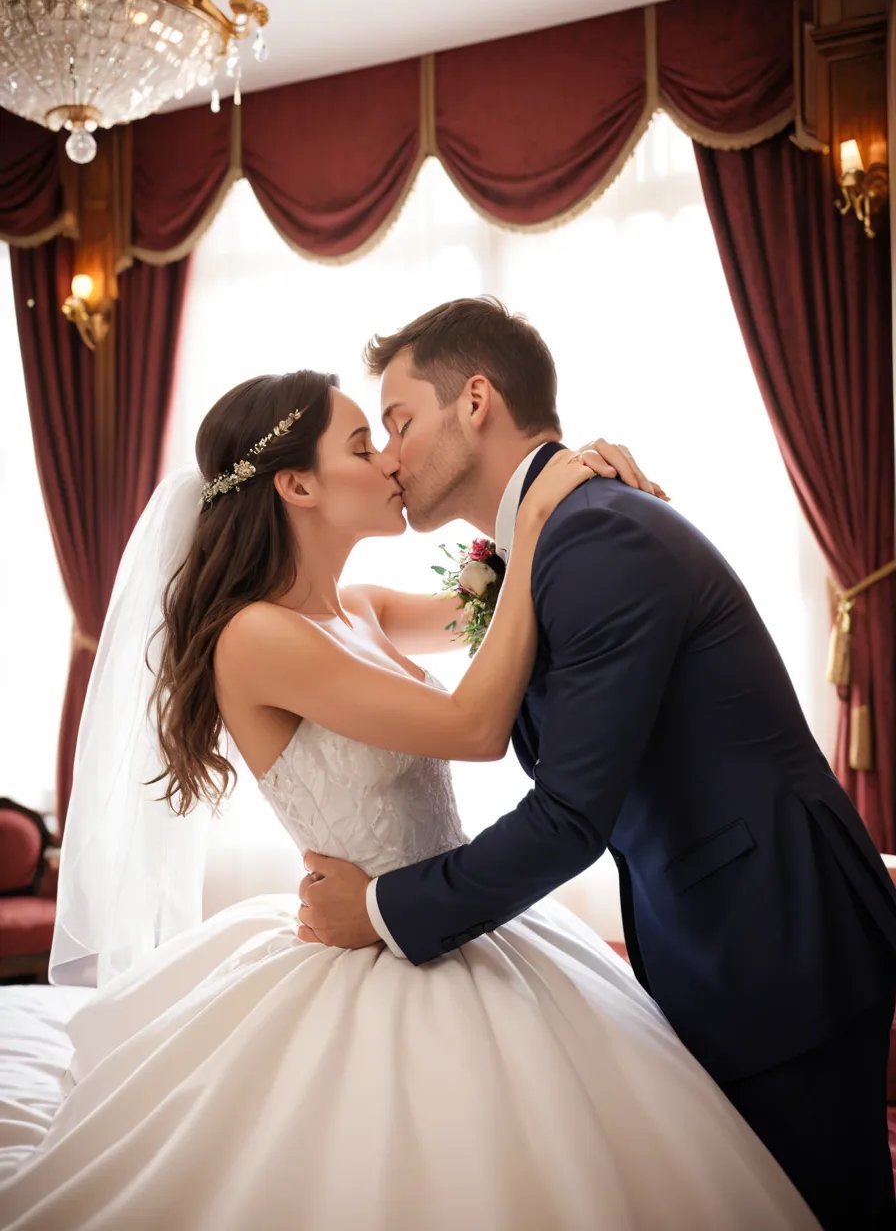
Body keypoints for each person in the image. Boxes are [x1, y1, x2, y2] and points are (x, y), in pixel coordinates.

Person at [0, 368, 816, 1230]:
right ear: (298, 485)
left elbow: (507, 604)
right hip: (373, 944)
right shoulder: (255, 638)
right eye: (362, 444)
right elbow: (473, 723)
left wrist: (553, 489)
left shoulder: (358, 610)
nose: (390, 463)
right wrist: (538, 526)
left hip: (450, 920)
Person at [298, 298, 896, 1231]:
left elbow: (570, 817)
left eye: (401, 421)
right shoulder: (550, 536)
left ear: (478, 401)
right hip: (726, 935)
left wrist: (377, 910)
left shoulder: (595, 535)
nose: (390, 455)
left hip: (782, 943)